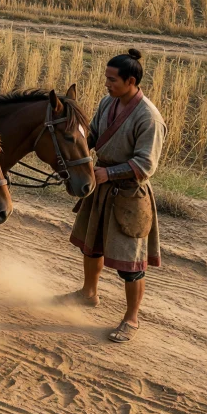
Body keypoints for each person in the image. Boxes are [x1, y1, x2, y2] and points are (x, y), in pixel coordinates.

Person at [60, 48, 165, 343]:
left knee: (130, 265)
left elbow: (146, 164)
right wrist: (75, 149)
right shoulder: (108, 102)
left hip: (129, 196)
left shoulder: (149, 118)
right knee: (90, 247)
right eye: (106, 78)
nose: (106, 84)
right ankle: (88, 293)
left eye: (112, 79)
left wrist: (108, 173)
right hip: (100, 186)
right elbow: (94, 134)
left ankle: (131, 319)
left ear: (131, 81)